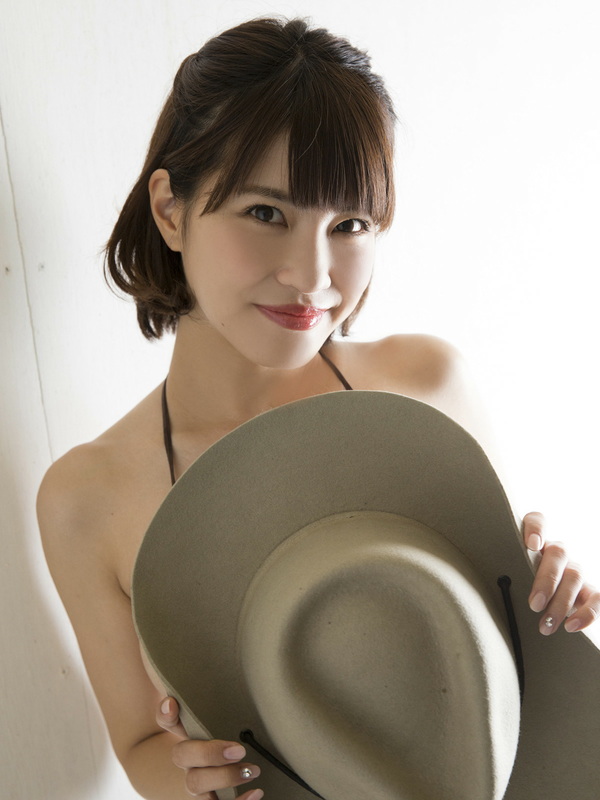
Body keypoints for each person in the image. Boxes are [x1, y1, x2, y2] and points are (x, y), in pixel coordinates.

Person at [37, 16, 599, 800]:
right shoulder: (90, 497)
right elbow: (138, 744)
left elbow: (503, 656)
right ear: (170, 209)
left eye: (349, 224)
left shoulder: (428, 385)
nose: (311, 275)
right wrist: (192, 780)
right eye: (266, 213)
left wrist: (550, 601)